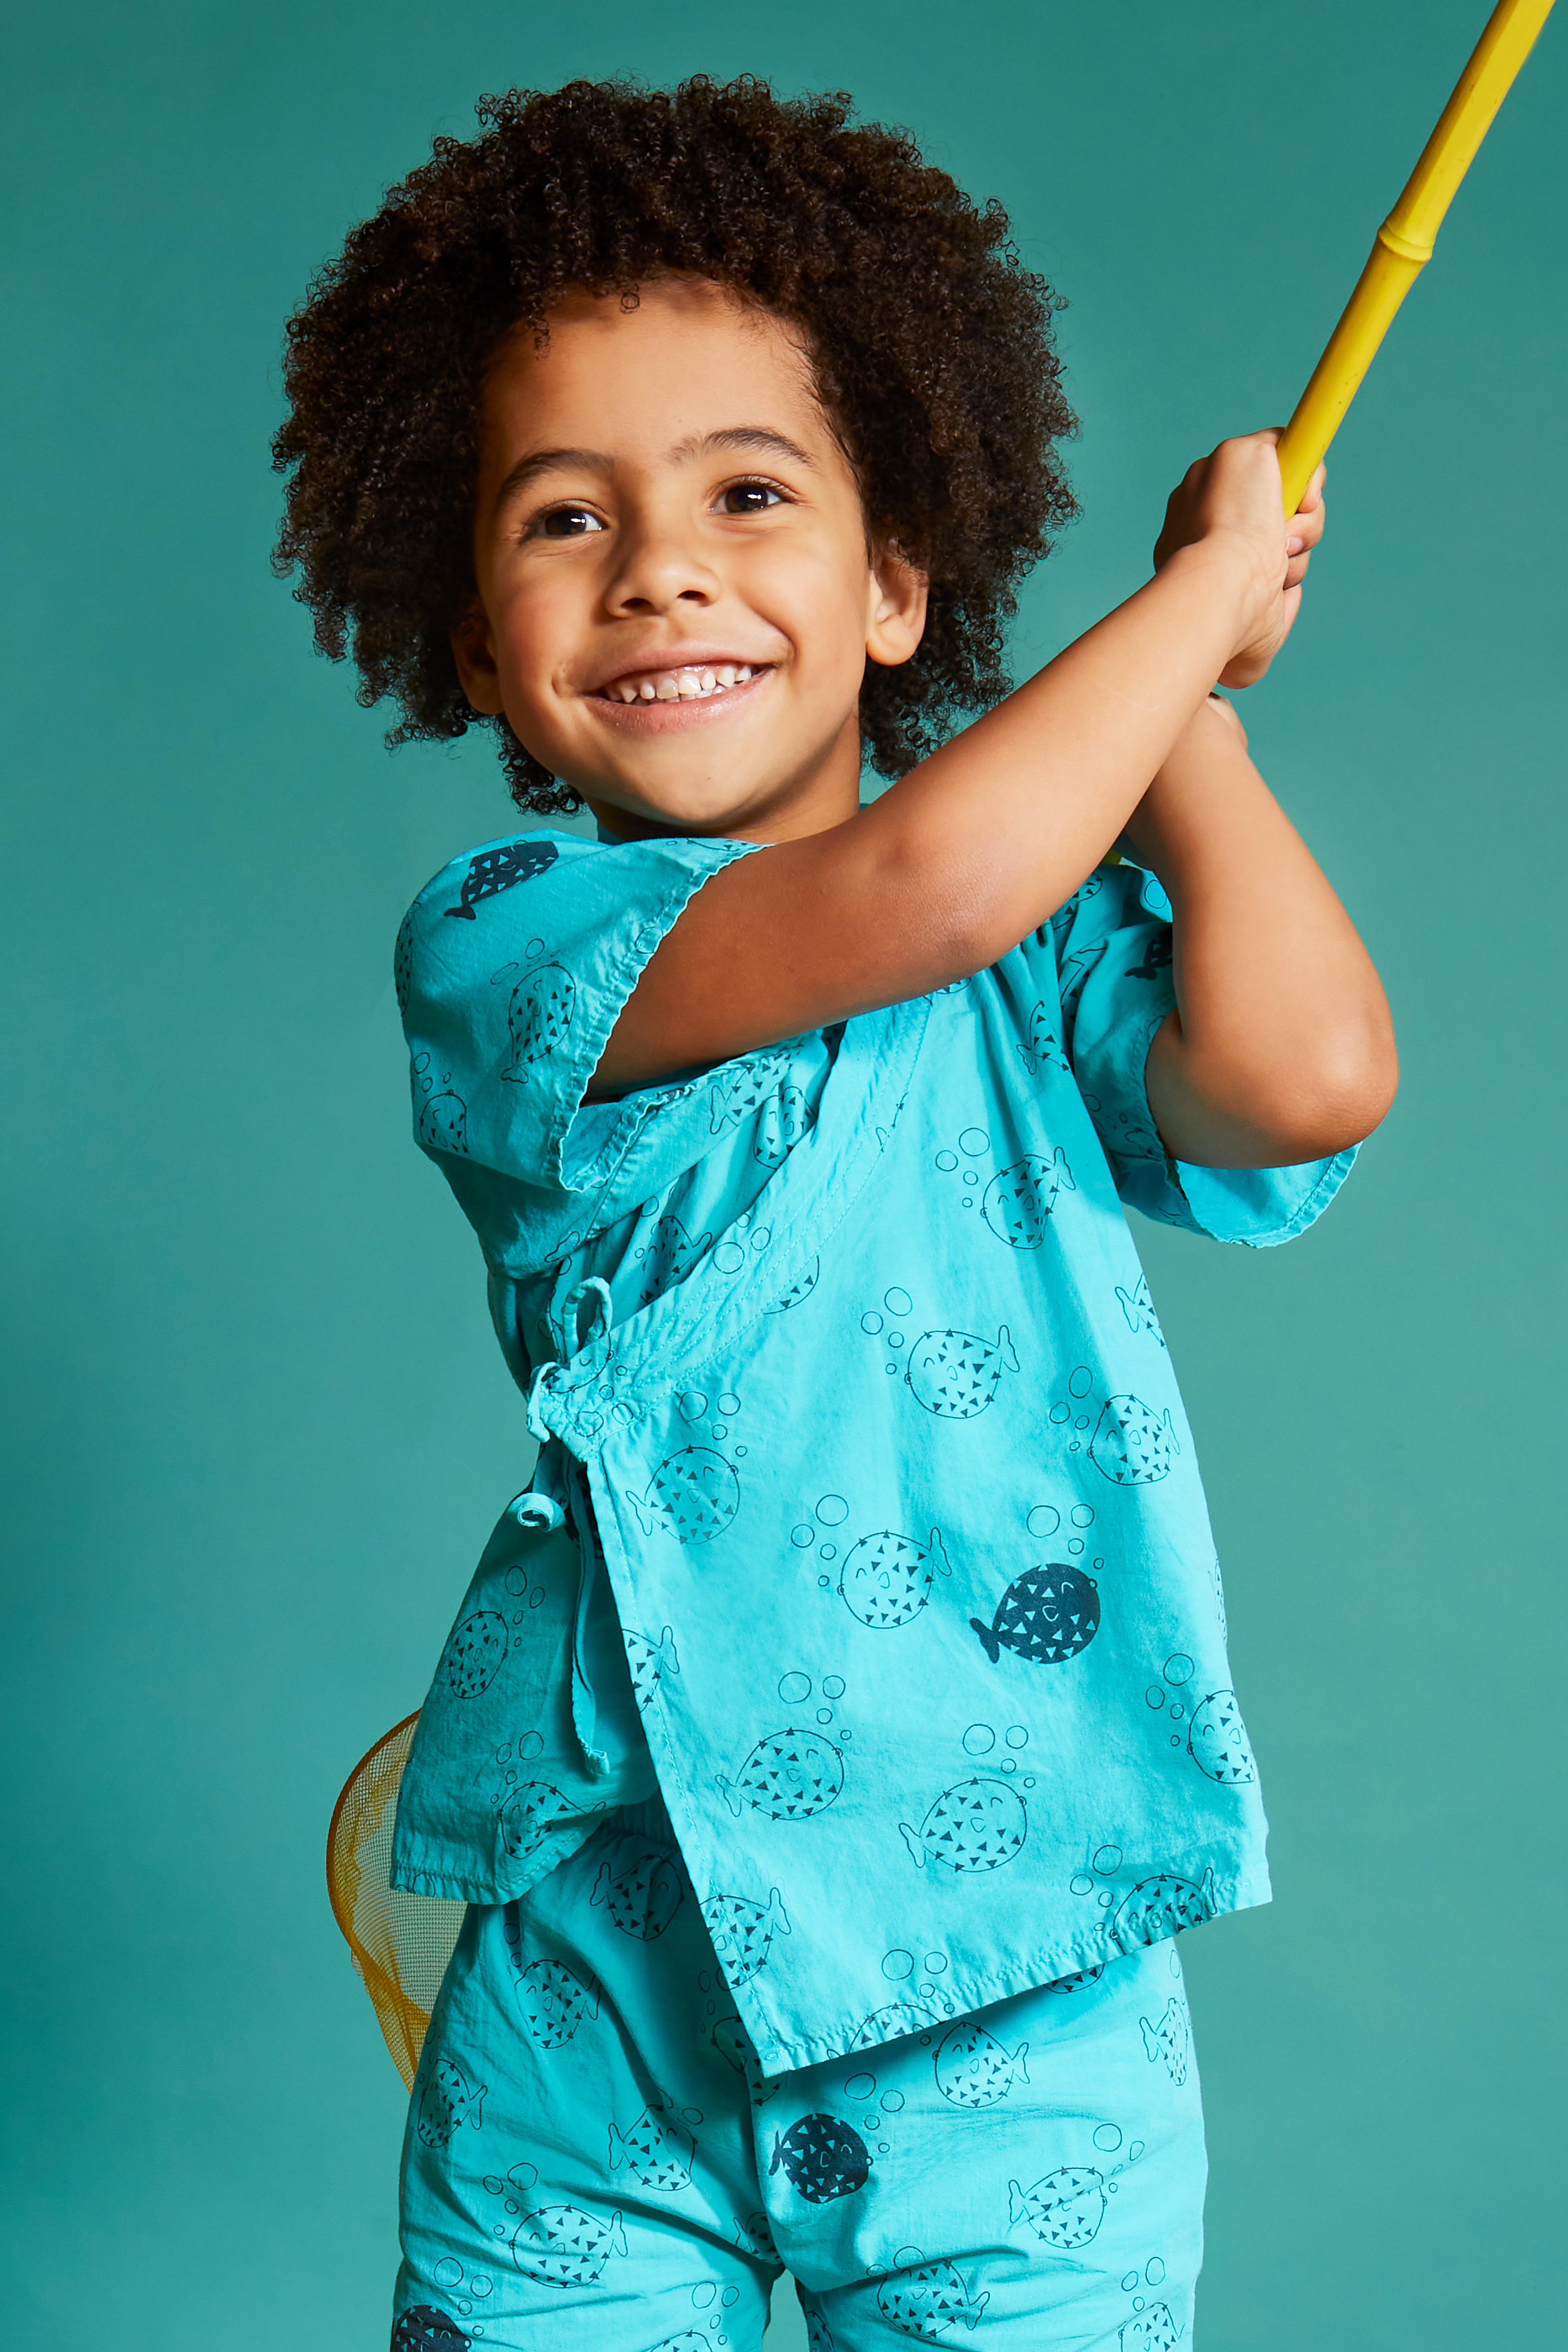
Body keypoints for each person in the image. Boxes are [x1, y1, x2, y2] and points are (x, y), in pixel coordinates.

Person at [275, 76, 1396, 2352]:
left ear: (900, 586)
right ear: (480, 647)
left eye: (747, 496)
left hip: (1019, 1967)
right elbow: (918, 878)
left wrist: (1194, 717)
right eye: (561, 520)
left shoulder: (1034, 952)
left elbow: (1300, 1073)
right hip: (608, 1956)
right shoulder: (506, 942)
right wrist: (1177, 608)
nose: (658, 570)